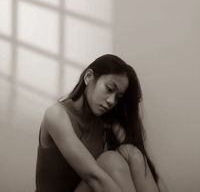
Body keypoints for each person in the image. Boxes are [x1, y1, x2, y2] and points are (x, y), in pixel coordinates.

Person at [35, 54, 168, 192]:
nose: (111, 101)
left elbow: (141, 162)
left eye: (118, 97)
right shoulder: (56, 115)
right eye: (109, 89)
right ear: (88, 77)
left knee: (131, 151)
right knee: (110, 160)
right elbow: (93, 177)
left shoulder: (104, 122)